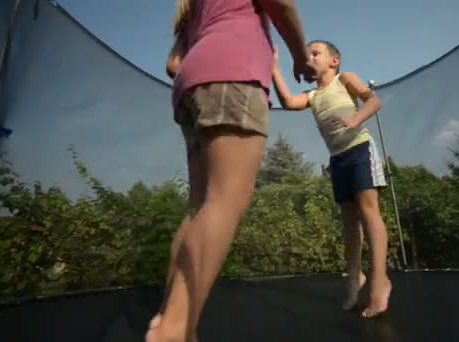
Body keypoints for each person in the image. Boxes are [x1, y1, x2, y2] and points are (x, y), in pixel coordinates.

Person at [146, 0, 314, 341]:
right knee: (226, 199)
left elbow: (172, 64)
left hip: (190, 85)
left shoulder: (192, 9)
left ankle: (171, 316)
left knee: (199, 207)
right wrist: (300, 56)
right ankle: (173, 331)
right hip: (233, 72)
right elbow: (281, 4)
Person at [271, 40, 392, 318]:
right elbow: (289, 101)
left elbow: (373, 100)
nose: (310, 57)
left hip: (360, 149)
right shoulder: (312, 96)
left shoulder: (344, 79)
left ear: (333, 61)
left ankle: (379, 281)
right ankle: (354, 277)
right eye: (307, 54)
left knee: (369, 212)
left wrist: (357, 118)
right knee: (349, 221)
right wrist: (274, 67)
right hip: (338, 159)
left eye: (316, 53)